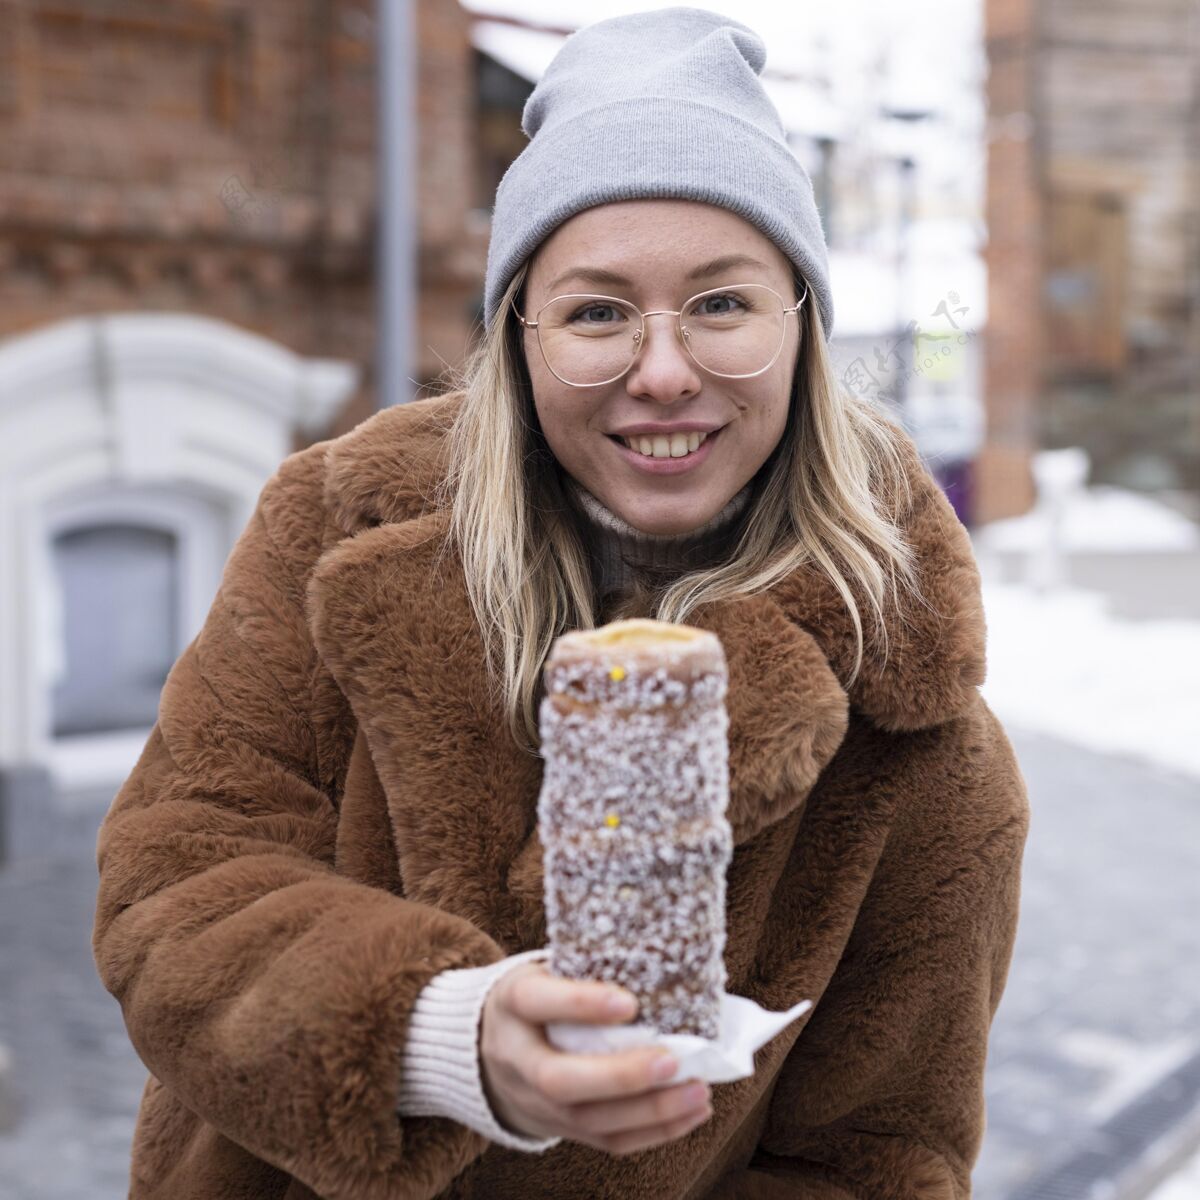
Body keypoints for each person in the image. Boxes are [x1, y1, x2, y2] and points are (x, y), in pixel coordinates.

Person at [92, 8, 1029, 1198]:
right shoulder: (333, 538)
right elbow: (177, 879)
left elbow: (875, 1164)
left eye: (723, 303)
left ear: (801, 325)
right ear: (519, 338)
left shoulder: (919, 738)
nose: (664, 369)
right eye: (596, 310)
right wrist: (439, 1034)